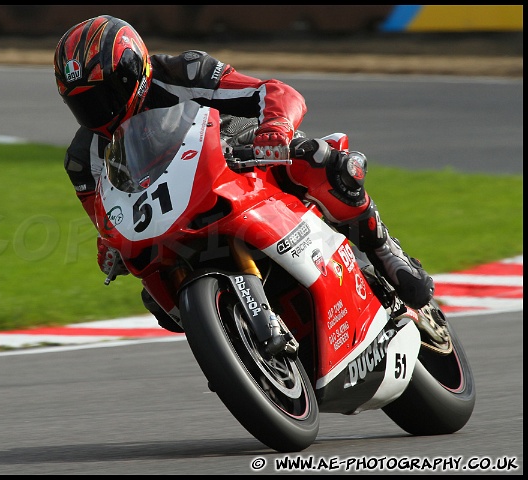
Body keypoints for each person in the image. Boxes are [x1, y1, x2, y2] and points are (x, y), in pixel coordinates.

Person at [53, 15, 434, 332]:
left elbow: (276, 92)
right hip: (173, 211)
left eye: (103, 96)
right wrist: (109, 247)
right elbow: (105, 220)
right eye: (83, 104)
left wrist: (276, 129)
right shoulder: (82, 159)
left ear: (134, 70)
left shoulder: (182, 72)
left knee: (318, 161)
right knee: (157, 298)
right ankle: (236, 346)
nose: (98, 111)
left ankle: (384, 251)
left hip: (242, 157)